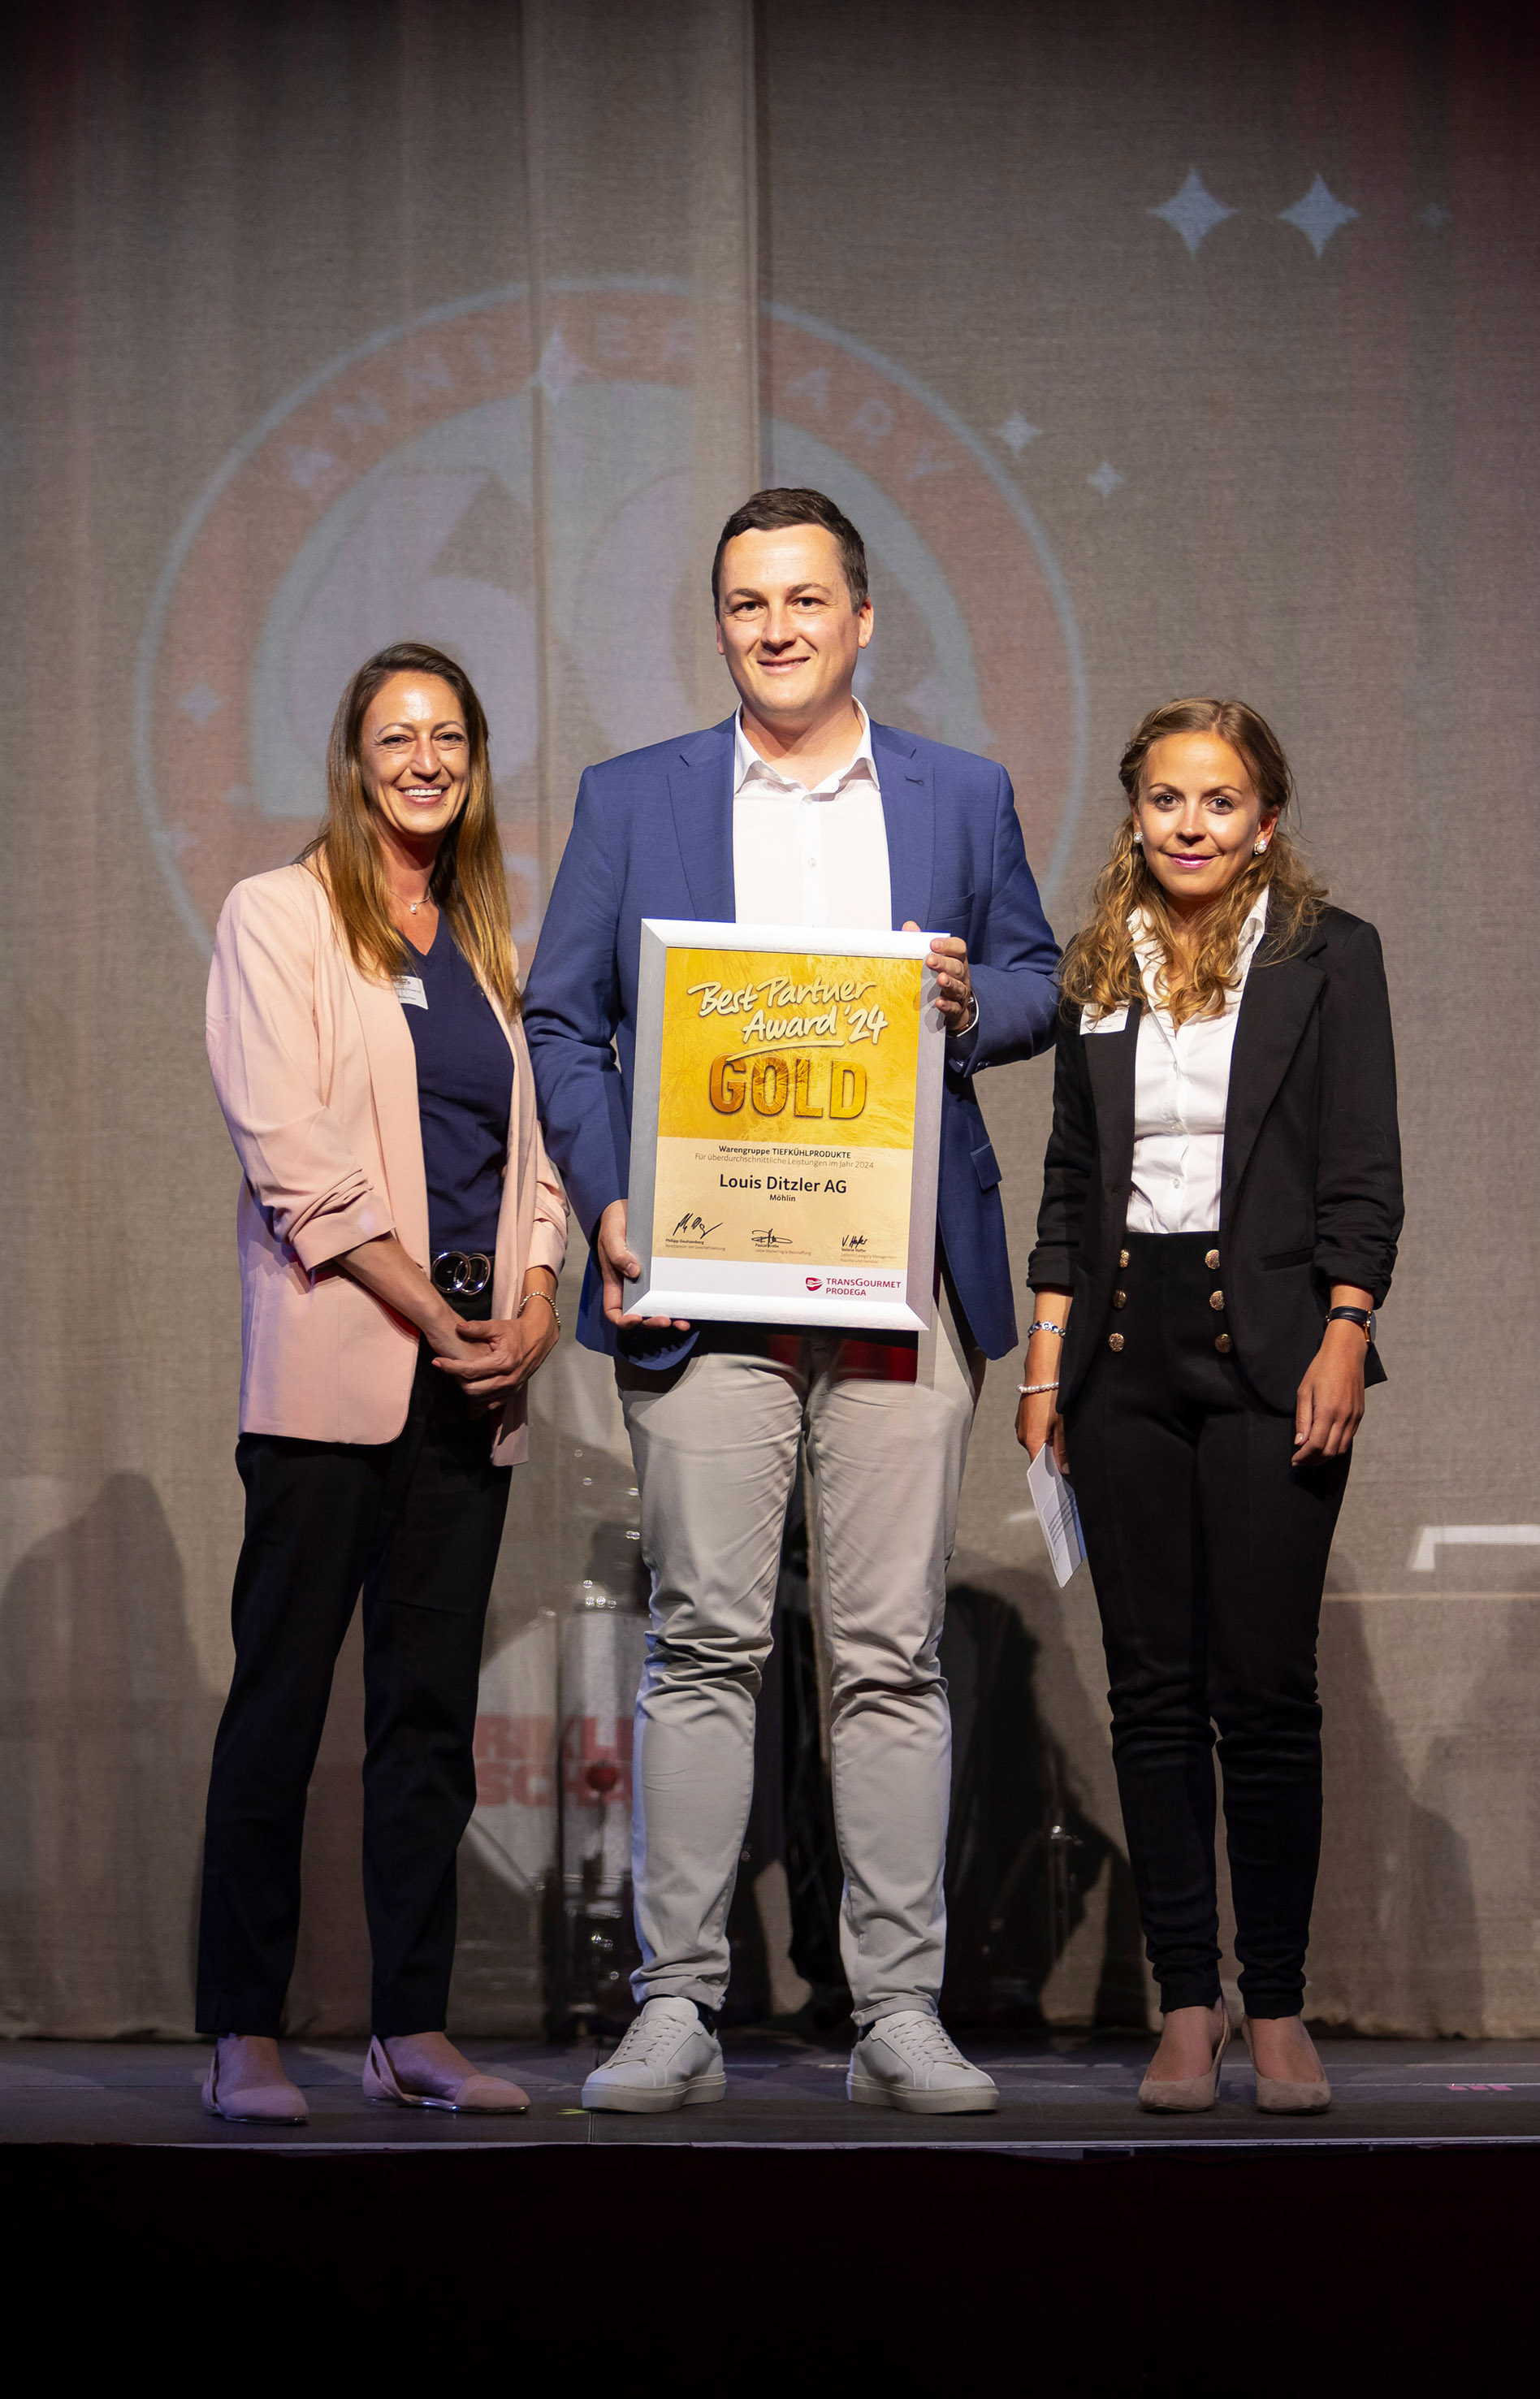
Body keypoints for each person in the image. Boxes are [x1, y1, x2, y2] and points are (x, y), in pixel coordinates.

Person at [525, 487, 1058, 2114]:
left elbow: (1039, 975)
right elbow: (564, 1019)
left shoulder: (961, 796)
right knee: (703, 1643)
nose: (776, 628)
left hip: (896, 1281)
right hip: (700, 1279)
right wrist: (612, 1202)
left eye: (804, 601)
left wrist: (970, 1000)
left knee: (889, 1651)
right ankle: (677, 1998)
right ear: (721, 627)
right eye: (747, 604)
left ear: (864, 618)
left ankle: (895, 2003)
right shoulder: (635, 800)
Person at [197, 641, 567, 2123]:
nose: (424, 759)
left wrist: (533, 1295)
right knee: (282, 1707)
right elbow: (295, 1155)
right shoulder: (277, 917)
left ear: (474, 763)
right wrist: (438, 1313)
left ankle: (411, 2026)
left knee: (425, 1718)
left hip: (471, 1387)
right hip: (337, 1383)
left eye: (451, 739)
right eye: (396, 736)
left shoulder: (482, 936)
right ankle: (242, 2032)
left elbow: (528, 1155)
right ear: (352, 757)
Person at [1017, 698, 1402, 2114]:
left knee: (1265, 1688)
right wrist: (1046, 1365)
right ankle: (1189, 2002)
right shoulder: (1092, 968)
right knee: (1154, 1692)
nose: (1191, 824)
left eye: (1220, 801)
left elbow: (1363, 1164)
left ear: (1264, 819)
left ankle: (1280, 2004)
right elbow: (1068, 1186)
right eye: (1167, 800)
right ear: (1134, 813)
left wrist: (1347, 1327)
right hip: (1124, 1351)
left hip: (1276, 1342)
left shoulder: (1326, 956)